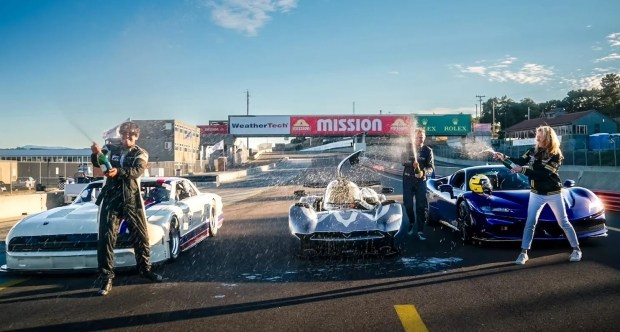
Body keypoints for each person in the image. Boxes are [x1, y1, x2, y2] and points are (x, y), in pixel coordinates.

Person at [91, 121, 162, 296]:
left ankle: (145, 270)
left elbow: (136, 171)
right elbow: (98, 163)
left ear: (136, 137)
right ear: (120, 135)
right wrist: (96, 154)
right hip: (111, 200)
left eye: (130, 136)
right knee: (106, 239)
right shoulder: (110, 149)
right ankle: (106, 278)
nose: (127, 139)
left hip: (132, 200)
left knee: (141, 237)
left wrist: (118, 172)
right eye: (124, 135)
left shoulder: (141, 153)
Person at [493, 125, 582, 265]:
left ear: (547, 137)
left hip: (554, 193)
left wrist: (522, 170)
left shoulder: (556, 154)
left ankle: (576, 250)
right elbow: (518, 161)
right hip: (536, 193)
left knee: (563, 222)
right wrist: (503, 158)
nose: (537, 138)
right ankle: (523, 253)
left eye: (540, 136)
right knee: (530, 222)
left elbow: (543, 174)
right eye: (537, 135)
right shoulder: (532, 151)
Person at [402, 128, 434, 240]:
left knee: (421, 206)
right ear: (414, 137)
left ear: (424, 138)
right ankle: (411, 221)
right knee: (408, 205)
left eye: (422, 137)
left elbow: (431, 167)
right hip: (408, 179)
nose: (420, 139)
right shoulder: (407, 148)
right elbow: (403, 161)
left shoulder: (428, 150)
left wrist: (423, 172)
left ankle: (420, 230)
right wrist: (412, 164)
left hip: (421, 181)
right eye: (418, 137)